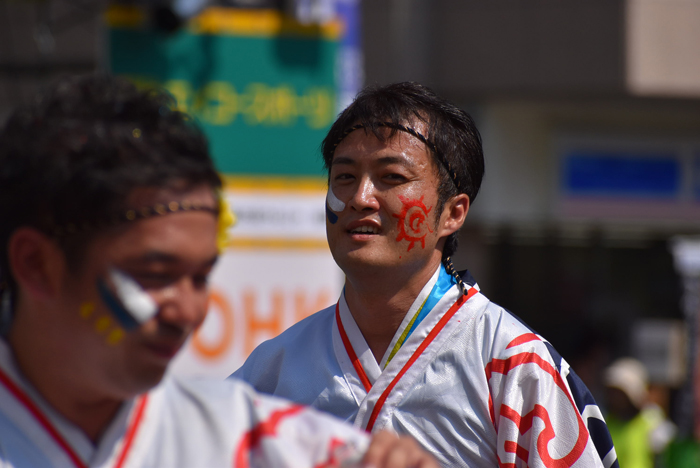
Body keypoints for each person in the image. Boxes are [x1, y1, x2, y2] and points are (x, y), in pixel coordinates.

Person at [0, 75, 438, 468]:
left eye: (201, 277)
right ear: (36, 265)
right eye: (154, 274)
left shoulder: (253, 442)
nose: (188, 311)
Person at [233, 82, 620, 468]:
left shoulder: (513, 366)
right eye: (345, 177)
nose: (360, 197)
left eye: (391, 178)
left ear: (453, 213)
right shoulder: (271, 371)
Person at [603, 358, 675, 468]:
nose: (616, 398)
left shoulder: (652, 421)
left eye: (620, 393)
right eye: (613, 391)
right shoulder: (605, 422)